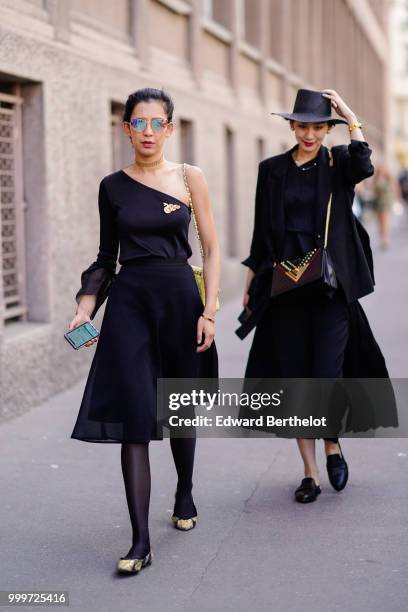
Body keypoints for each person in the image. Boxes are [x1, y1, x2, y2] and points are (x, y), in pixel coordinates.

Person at [68, 88, 220, 574]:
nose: (148, 132)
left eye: (157, 123)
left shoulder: (189, 177)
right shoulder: (112, 186)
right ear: (126, 128)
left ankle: (185, 490)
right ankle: (140, 542)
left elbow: (212, 249)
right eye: (139, 123)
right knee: (137, 414)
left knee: (177, 406)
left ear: (170, 129)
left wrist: (209, 311)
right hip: (130, 304)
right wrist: (85, 306)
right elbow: (105, 257)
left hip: (180, 301)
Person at [235, 88, 396, 504]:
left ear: (328, 129)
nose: (310, 134)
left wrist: (350, 113)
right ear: (291, 126)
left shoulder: (338, 163)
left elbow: (364, 163)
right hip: (285, 288)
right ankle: (310, 473)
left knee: (325, 374)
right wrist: (252, 284)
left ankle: (332, 442)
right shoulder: (271, 170)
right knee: (296, 379)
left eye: (319, 127)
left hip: (329, 289)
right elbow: (260, 232)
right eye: (303, 126)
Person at [372, 163, 397, 250]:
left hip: (385, 203)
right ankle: (382, 238)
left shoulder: (388, 179)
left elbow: (393, 190)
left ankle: (385, 239)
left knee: (385, 222)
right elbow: (374, 190)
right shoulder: (376, 179)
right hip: (378, 204)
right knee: (379, 223)